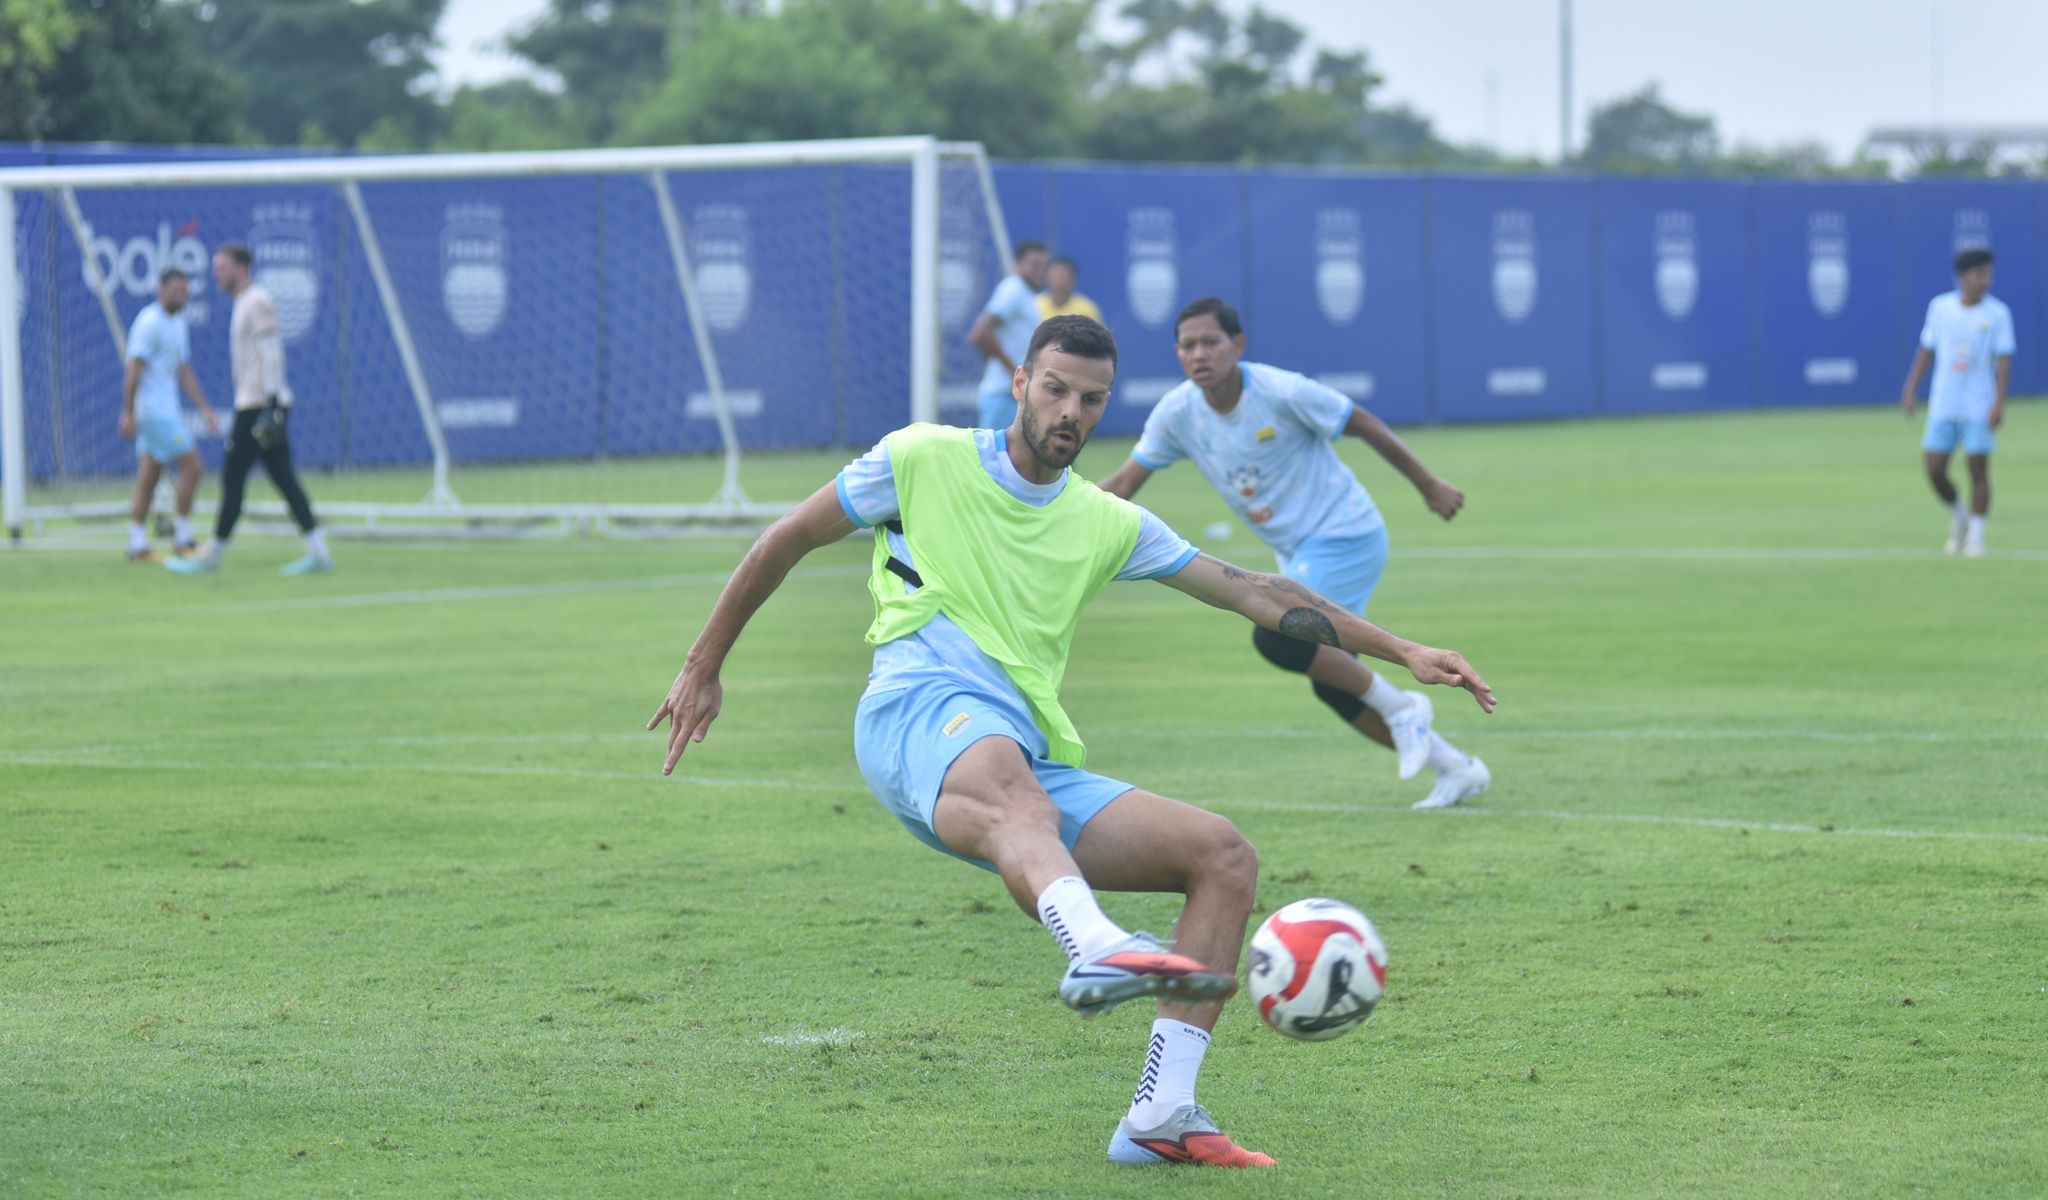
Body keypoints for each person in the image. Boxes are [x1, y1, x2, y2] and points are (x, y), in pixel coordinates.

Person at [649, 315, 1495, 1168]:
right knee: (1015, 789)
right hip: (916, 715)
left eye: (1090, 400)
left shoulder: (1105, 519)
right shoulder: (921, 456)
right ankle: (1093, 945)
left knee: (1223, 858)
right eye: (1054, 389)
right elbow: (784, 540)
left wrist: (1403, 649)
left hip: (1021, 756)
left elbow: (1257, 592)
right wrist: (703, 664)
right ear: (1019, 383)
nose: (1070, 411)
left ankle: (1161, 1114)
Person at [1097, 298, 1489, 810]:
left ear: (1237, 345)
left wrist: (1429, 483)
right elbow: (1125, 481)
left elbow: (1363, 421)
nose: (1199, 354)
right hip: (1297, 554)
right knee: (1333, 682)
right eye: (1187, 345)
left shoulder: (1281, 391)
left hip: (1345, 534)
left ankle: (1403, 708)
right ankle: (1456, 769)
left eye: (1210, 342)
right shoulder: (1176, 413)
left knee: (1278, 638)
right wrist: (1064, 512)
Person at [168, 244, 331, 576]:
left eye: (222, 266)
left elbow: (272, 351)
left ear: (241, 268)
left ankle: (211, 556)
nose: (217, 273)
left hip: (258, 406)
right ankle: (318, 551)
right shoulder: (244, 302)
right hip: (260, 403)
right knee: (283, 479)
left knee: (233, 478)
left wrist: (272, 405)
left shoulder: (256, 301)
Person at [1900, 247, 2015, 557]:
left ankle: (1976, 538)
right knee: (1934, 468)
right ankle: (1959, 516)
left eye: (1988, 273)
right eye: (1979, 274)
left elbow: (2004, 360)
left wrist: (1998, 402)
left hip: (1978, 404)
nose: (1985, 280)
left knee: (1977, 469)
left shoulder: (1997, 314)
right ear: (1963, 277)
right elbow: (1927, 349)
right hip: (1944, 403)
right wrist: (1911, 388)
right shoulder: (1941, 308)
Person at [119, 268, 218, 562]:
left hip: (165, 409)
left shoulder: (178, 323)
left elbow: (182, 370)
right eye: (176, 291)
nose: (181, 297)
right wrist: (127, 412)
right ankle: (183, 538)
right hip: (153, 413)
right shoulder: (149, 323)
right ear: (160, 290)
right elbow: (133, 370)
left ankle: (137, 544)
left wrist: (203, 407)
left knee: (149, 476)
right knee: (193, 467)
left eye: (185, 292)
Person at [965, 240, 1049, 431]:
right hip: (1004, 394)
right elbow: (980, 334)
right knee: (993, 459)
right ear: (1017, 264)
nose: (1040, 271)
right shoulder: (1013, 289)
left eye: (1044, 266)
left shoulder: (1026, 294)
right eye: (1034, 265)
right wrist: (1015, 373)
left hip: (1012, 393)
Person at [1036, 256, 1101, 323]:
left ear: (1074, 280)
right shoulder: (1035, 305)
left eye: (1064, 276)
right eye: (1056, 274)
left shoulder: (1087, 308)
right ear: (1046, 278)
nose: (1060, 279)